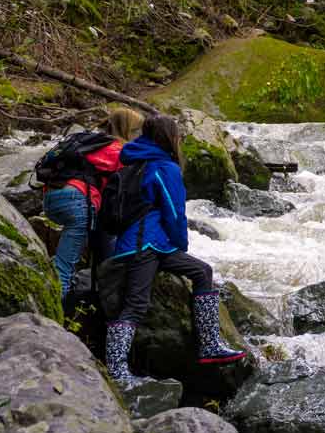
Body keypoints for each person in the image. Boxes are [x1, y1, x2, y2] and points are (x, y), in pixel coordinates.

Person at [105, 114, 245, 385]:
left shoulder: (137, 160)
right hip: (144, 245)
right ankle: (117, 369)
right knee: (136, 304)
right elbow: (174, 212)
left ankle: (210, 344)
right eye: (177, 134)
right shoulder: (163, 167)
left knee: (202, 271)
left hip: (147, 243)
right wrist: (181, 243)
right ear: (169, 137)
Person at [43, 107, 144, 298]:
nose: (139, 136)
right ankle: (53, 322)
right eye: (137, 131)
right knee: (64, 268)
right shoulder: (119, 151)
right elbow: (126, 192)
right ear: (128, 130)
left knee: (90, 244)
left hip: (51, 198)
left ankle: (89, 293)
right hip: (76, 200)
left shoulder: (92, 142)